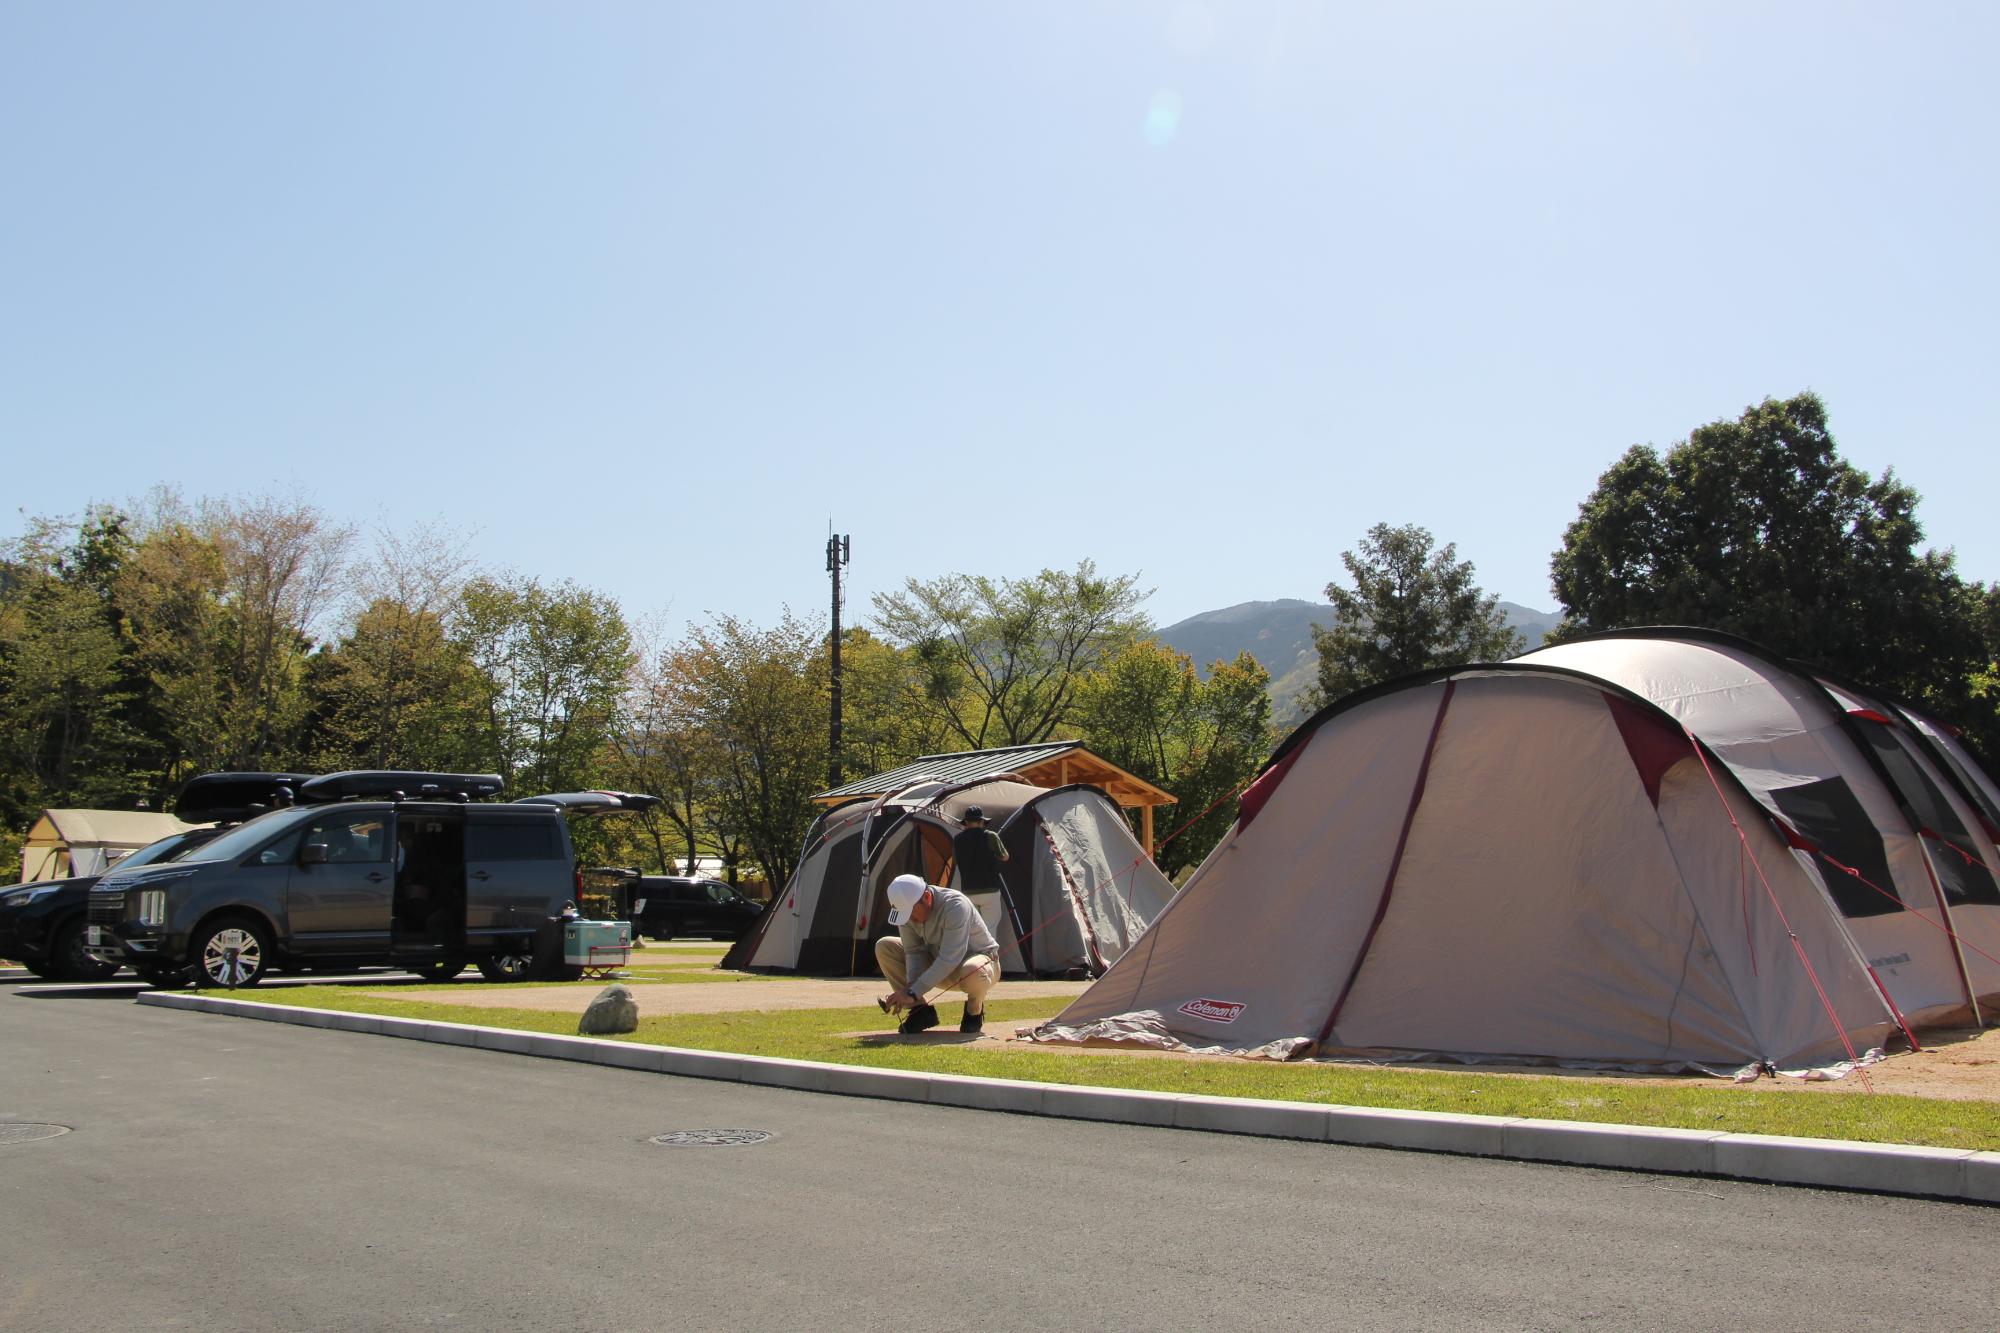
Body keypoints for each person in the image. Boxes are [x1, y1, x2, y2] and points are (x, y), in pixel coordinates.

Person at [876, 872, 1001, 1035]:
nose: (909, 919)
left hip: (978, 967)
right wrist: (911, 991)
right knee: (885, 946)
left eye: (911, 913)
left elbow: (950, 958)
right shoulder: (906, 915)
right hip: (939, 965)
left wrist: (913, 992)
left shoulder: (955, 905)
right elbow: (914, 952)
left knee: (972, 969)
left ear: (926, 897)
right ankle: (920, 1012)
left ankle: (974, 1011)